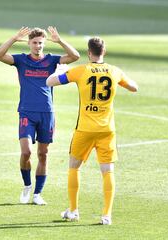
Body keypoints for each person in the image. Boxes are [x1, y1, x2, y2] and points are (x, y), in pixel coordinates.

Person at [46, 37, 138, 224]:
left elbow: (50, 82)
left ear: (89, 52)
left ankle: (73, 211)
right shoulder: (114, 71)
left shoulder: (81, 71)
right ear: (104, 52)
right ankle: (106, 215)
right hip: (107, 130)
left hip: (85, 129)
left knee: (74, 167)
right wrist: (120, 80)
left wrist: (61, 69)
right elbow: (134, 87)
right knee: (108, 170)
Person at [0, 26, 80, 205]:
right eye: (34, 43)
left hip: (47, 113)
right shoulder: (21, 60)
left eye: (41, 43)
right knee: (26, 152)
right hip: (26, 111)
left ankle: (37, 194)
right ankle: (27, 186)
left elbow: (75, 57)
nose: (38, 46)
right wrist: (13, 38)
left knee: (43, 154)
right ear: (29, 43)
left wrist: (60, 41)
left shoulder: (51, 60)